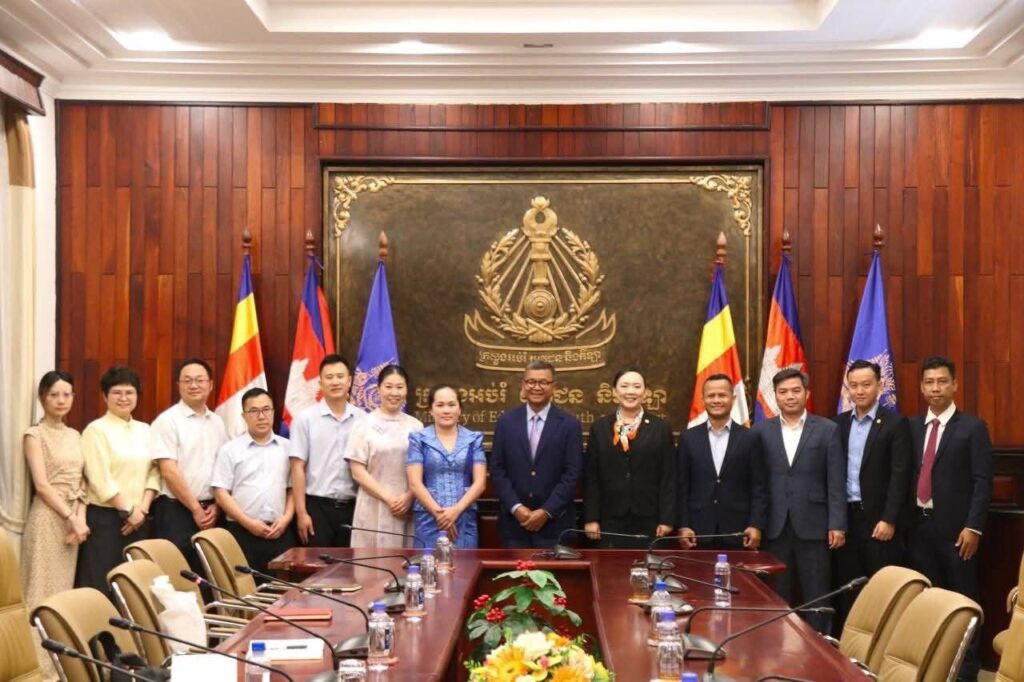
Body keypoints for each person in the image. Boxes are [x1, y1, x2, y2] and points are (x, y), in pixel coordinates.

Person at [907, 356, 992, 682]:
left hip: (957, 532)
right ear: (921, 387)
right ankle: (934, 667)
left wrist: (973, 527)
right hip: (918, 528)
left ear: (954, 385)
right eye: (929, 382)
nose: (936, 388)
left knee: (963, 601)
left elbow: (982, 482)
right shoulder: (911, 427)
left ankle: (967, 671)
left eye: (942, 381)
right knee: (929, 600)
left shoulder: (972, 427)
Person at [752, 368, 845, 634]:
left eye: (795, 390)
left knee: (817, 595)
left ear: (807, 394)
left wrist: (837, 524)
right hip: (774, 526)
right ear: (775, 397)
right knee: (776, 595)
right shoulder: (760, 431)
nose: (790, 396)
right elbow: (757, 482)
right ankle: (775, 646)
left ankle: (822, 644)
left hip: (815, 526)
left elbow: (835, 481)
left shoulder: (827, 429)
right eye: (783, 392)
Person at [832, 359, 911, 634]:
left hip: (879, 521)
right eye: (853, 385)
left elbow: (900, 475)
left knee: (881, 590)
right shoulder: (839, 424)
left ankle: (880, 648)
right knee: (849, 588)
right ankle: (848, 647)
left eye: (866, 384)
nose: (859, 391)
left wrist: (889, 518)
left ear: (880, 385)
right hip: (846, 520)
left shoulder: (895, 423)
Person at [21, 371, 86, 676]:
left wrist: (80, 519)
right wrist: (70, 517)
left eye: (66, 394)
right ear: (42, 398)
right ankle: (36, 671)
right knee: (39, 594)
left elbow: (82, 482)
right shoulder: (34, 435)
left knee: (61, 596)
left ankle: (59, 669)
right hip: (48, 519)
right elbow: (42, 486)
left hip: (73, 524)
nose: (61, 400)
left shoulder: (75, 435)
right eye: (54, 394)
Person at [75, 366, 159, 594]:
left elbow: (155, 472)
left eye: (129, 392)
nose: (123, 398)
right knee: (102, 584)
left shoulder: (146, 430)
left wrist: (142, 508)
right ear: (105, 396)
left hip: (140, 518)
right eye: (116, 392)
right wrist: (127, 510)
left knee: (136, 587)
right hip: (107, 520)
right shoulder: (96, 430)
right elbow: (99, 478)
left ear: (137, 396)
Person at [489, 361, 583, 549]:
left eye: (543, 382)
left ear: (554, 387)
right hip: (514, 525)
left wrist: (546, 511)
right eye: (531, 382)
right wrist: (516, 507)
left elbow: (572, 474)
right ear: (523, 385)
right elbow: (497, 470)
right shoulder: (506, 422)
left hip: (555, 525)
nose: (537, 387)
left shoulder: (569, 424)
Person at [150, 358, 228, 575]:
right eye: (187, 380)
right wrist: (195, 509)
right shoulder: (167, 421)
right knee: (178, 576)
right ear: (179, 385)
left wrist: (218, 505)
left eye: (199, 380)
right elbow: (168, 471)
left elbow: (223, 469)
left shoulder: (218, 422)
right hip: (176, 512)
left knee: (211, 577)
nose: (194, 385)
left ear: (210, 385)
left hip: (212, 512)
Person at [583, 369, 675, 548]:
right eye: (624, 386)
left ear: (645, 392)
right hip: (610, 518)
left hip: (650, 518)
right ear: (614, 391)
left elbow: (668, 476)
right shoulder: (600, 428)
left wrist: (667, 519)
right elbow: (592, 476)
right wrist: (591, 518)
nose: (630, 391)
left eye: (637, 386)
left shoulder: (661, 428)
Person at [677, 373, 766, 551]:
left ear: (733, 399)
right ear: (703, 400)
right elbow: (682, 487)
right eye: (711, 396)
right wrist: (683, 525)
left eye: (722, 395)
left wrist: (756, 524)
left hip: (739, 532)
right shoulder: (688, 438)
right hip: (697, 532)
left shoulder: (750, 438)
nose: (716, 400)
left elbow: (759, 487)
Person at [211, 388, 295, 574]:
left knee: (282, 588)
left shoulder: (288, 448)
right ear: (244, 416)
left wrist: (286, 519)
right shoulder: (230, 450)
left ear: (273, 412)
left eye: (266, 410)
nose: (261, 416)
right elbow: (220, 492)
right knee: (245, 587)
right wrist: (248, 523)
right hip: (242, 532)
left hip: (279, 532)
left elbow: (292, 489)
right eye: (254, 411)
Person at [289, 354, 367, 547]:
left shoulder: (363, 419)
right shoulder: (305, 419)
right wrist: (301, 513)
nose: (335, 382)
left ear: (349, 381)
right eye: (329, 377)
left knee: (352, 564)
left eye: (340, 376)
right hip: (317, 508)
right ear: (321, 383)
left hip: (353, 508)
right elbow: (297, 467)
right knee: (316, 564)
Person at [346, 365, 424, 548]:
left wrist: (409, 496)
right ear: (378, 388)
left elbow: (423, 470)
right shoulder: (363, 424)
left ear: (406, 390)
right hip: (373, 505)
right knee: (370, 562)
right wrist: (388, 498)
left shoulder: (416, 427)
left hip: (407, 506)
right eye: (388, 387)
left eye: (400, 387)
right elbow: (357, 471)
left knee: (404, 561)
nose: (394, 393)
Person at [406, 385, 487, 548]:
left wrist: (455, 511)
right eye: (440, 405)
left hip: (463, 517)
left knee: (465, 563)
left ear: (459, 409)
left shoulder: (474, 439)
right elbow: (415, 483)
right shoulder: (418, 439)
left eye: (451, 404)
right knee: (428, 562)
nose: (446, 410)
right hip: (429, 518)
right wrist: (441, 515)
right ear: (431, 410)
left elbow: (480, 483)